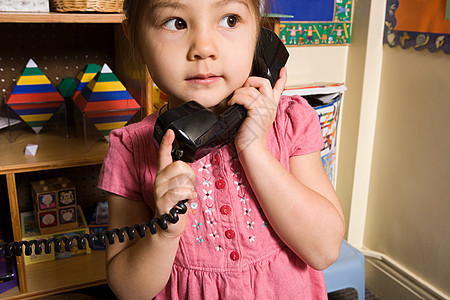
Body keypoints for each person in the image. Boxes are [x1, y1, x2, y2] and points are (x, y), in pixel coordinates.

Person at [98, 0, 345, 299]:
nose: (204, 48)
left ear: (259, 34)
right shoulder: (130, 149)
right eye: (176, 23)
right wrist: (164, 233)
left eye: (230, 20)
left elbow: (324, 250)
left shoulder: (290, 122)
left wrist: (255, 150)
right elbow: (128, 290)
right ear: (134, 36)